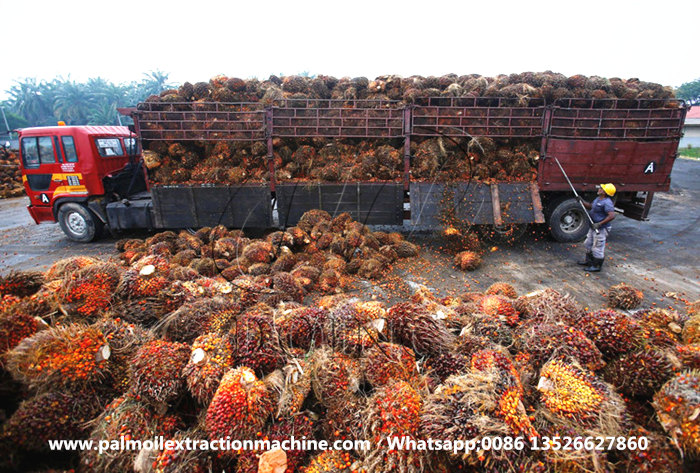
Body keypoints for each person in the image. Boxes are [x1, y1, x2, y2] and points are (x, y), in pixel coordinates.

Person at [577, 183, 616, 272]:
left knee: (598, 247)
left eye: (601, 188)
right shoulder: (598, 199)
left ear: (605, 192)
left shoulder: (607, 203)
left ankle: (597, 266)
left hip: (601, 229)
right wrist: (581, 201)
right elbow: (591, 206)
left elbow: (612, 216)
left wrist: (599, 224)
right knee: (588, 243)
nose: (599, 189)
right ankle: (589, 261)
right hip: (593, 226)